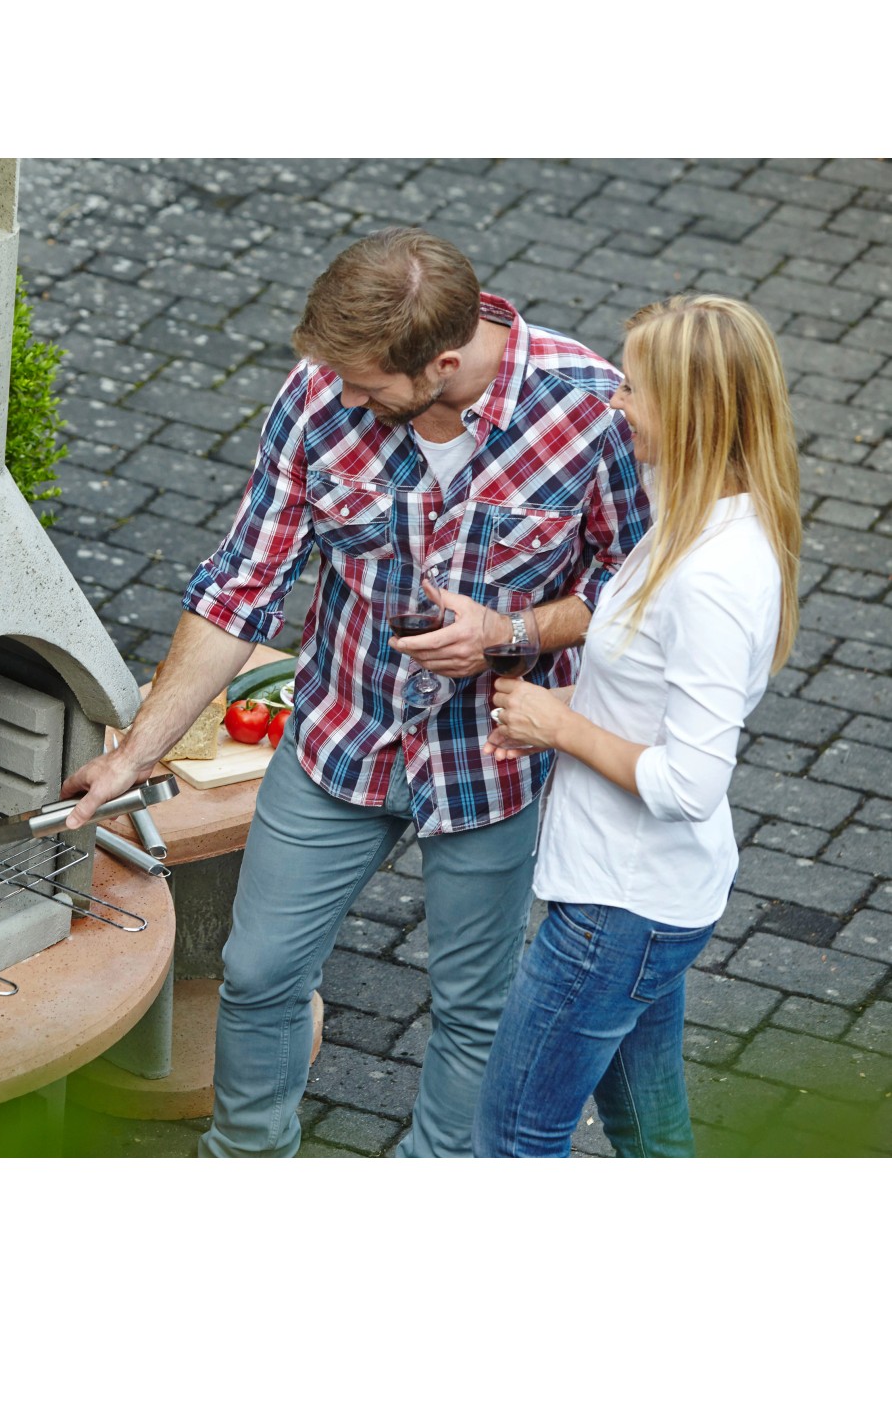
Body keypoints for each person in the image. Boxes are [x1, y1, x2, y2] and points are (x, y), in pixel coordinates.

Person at [61, 227, 650, 1157]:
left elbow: (636, 585)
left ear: (444, 363)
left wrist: (513, 634)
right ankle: (245, 1161)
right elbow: (241, 589)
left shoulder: (588, 408)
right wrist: (134, 756)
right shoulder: (319, 393)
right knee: (259, 971)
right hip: (343, 730)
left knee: (475, 1007)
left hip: (493, 757)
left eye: (368, 387)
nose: (342, 398)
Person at [473, 295, 802, 1158]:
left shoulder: (711, 576)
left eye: (634, 389)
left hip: (619, 909)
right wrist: (562, 713)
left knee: (512, 1139)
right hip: (641, 900)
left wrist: (559, 725)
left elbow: (690, 783)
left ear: (688, 410)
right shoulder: (693, 523)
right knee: (651, 1135)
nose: (616, 403)